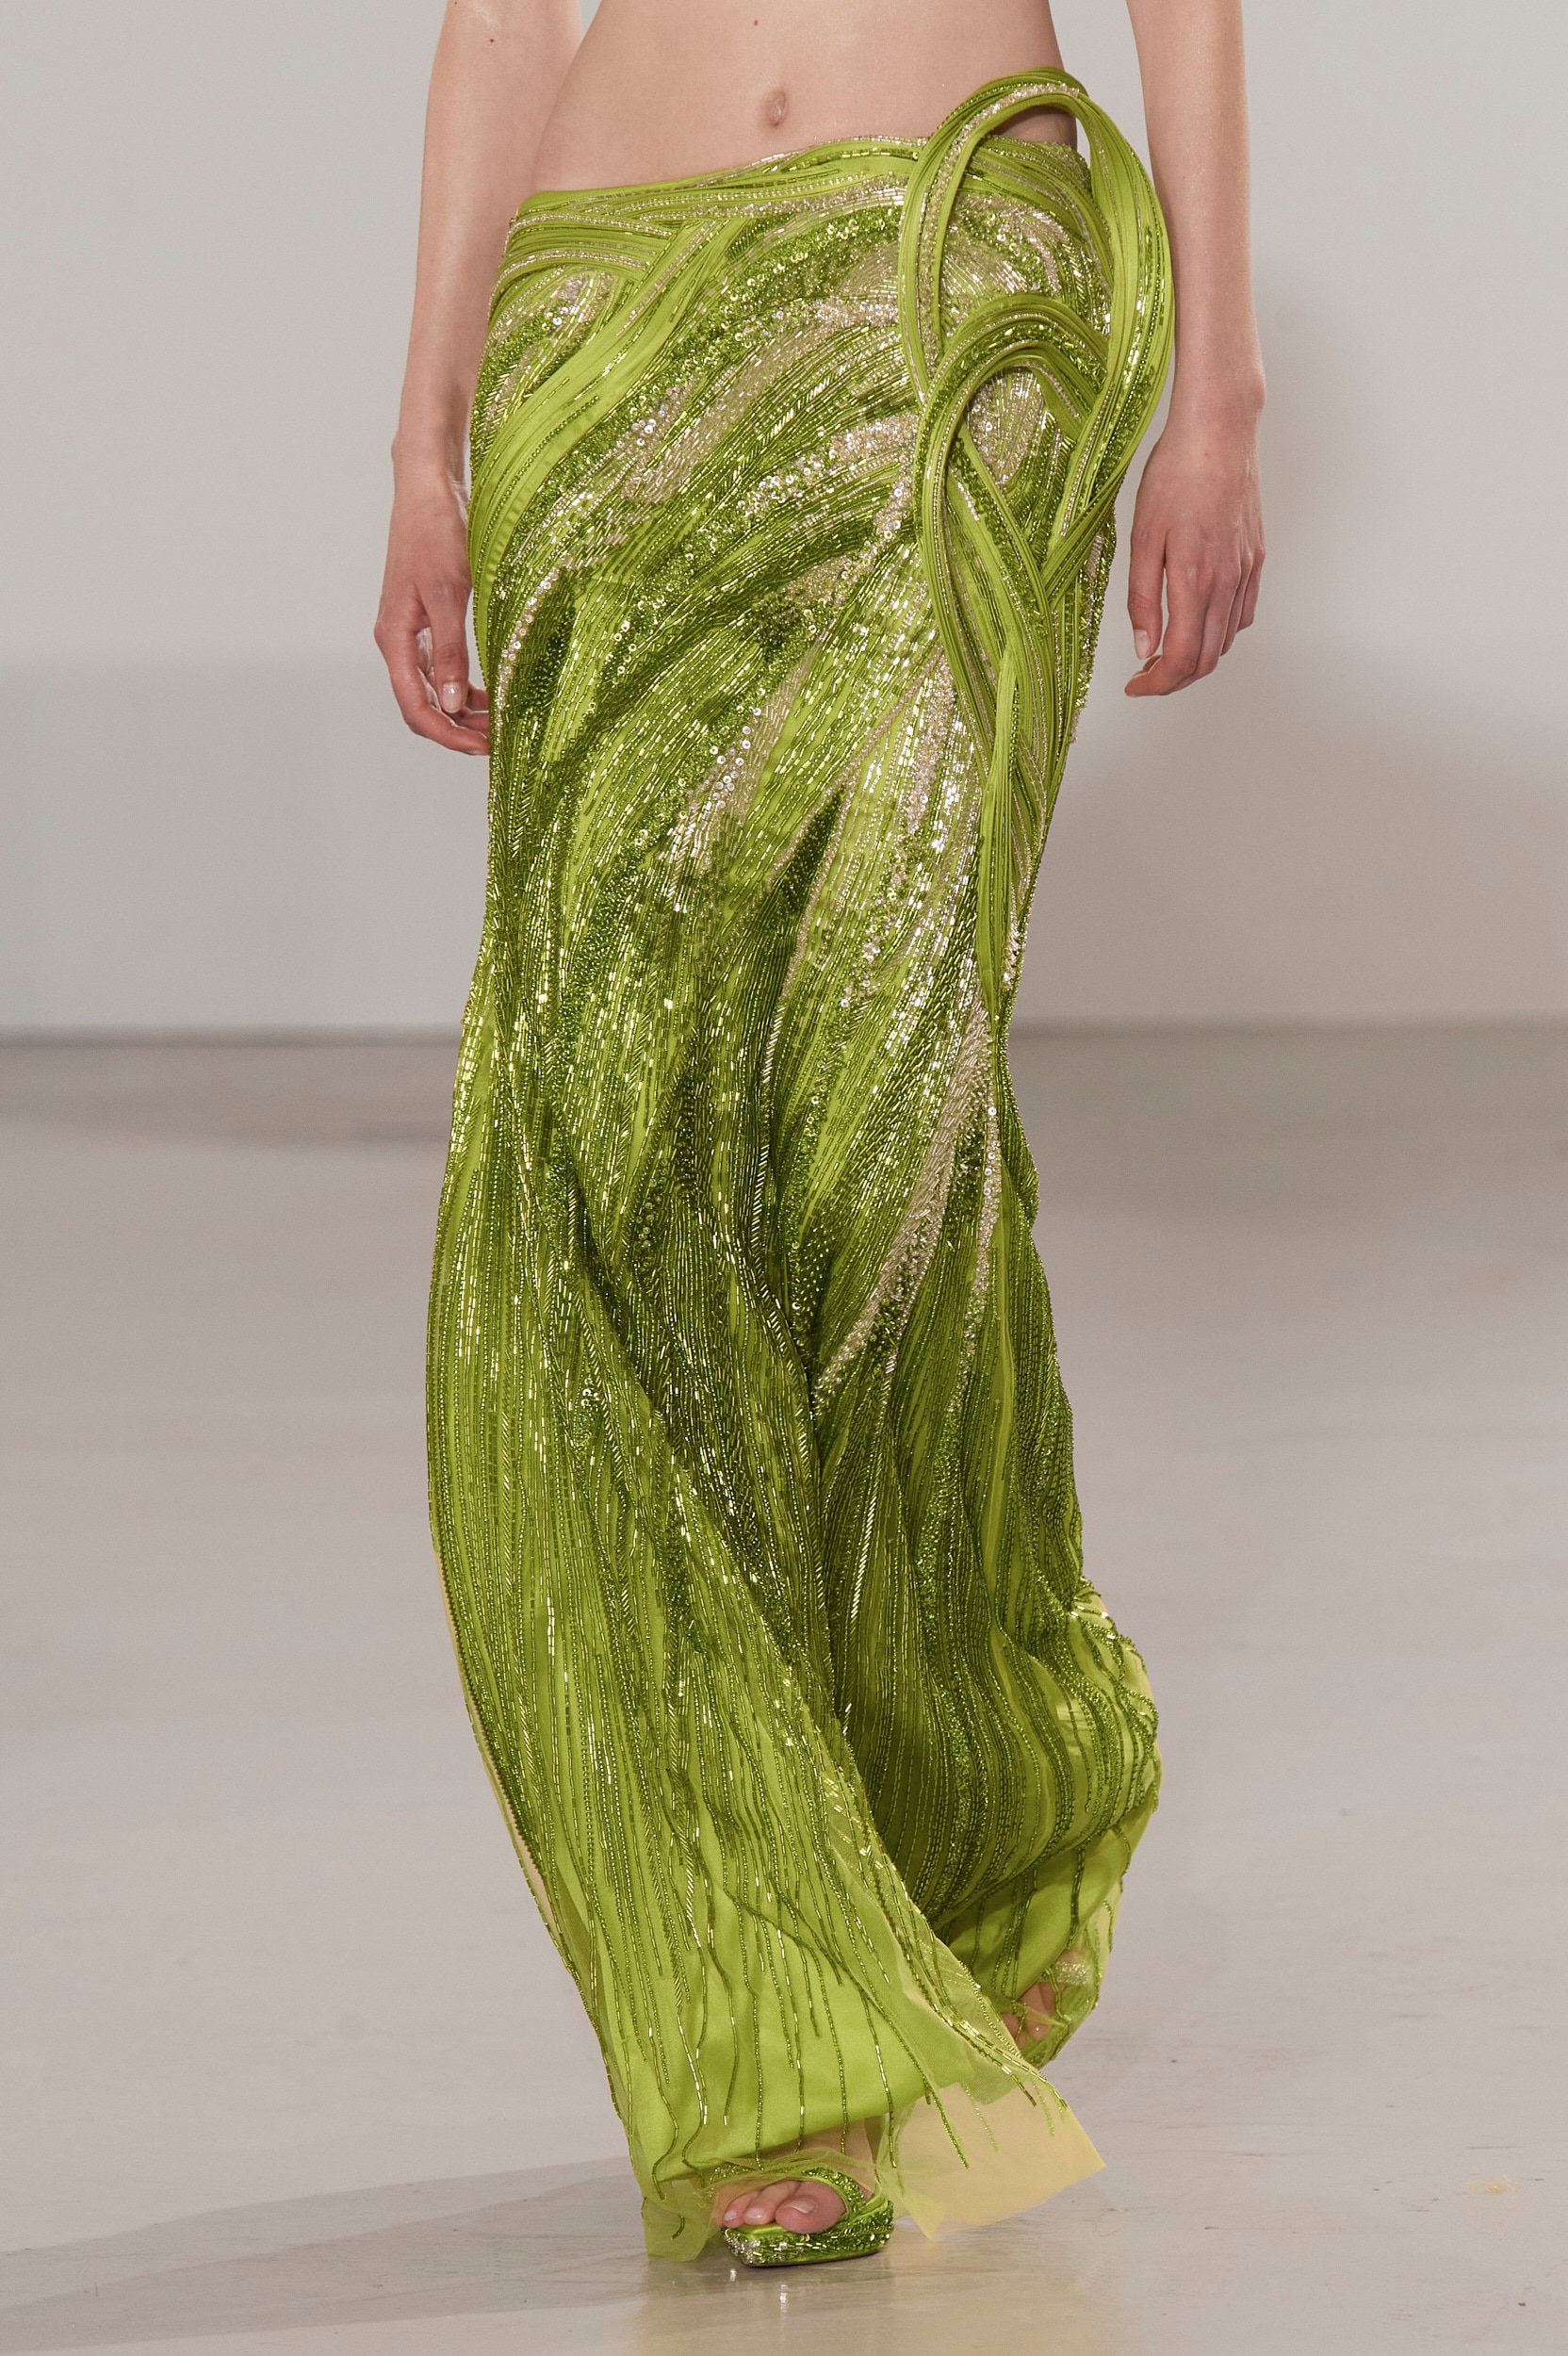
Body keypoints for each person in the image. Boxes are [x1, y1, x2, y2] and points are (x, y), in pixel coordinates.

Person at [377, 0, 1264, 2271]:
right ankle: (765, 2005)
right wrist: (426, 443)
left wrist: (1218, 387)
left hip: (946, 297)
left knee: (887, 1127)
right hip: (605, 313)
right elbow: (502, 16)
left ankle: (982, 1773)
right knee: (601, 1161)